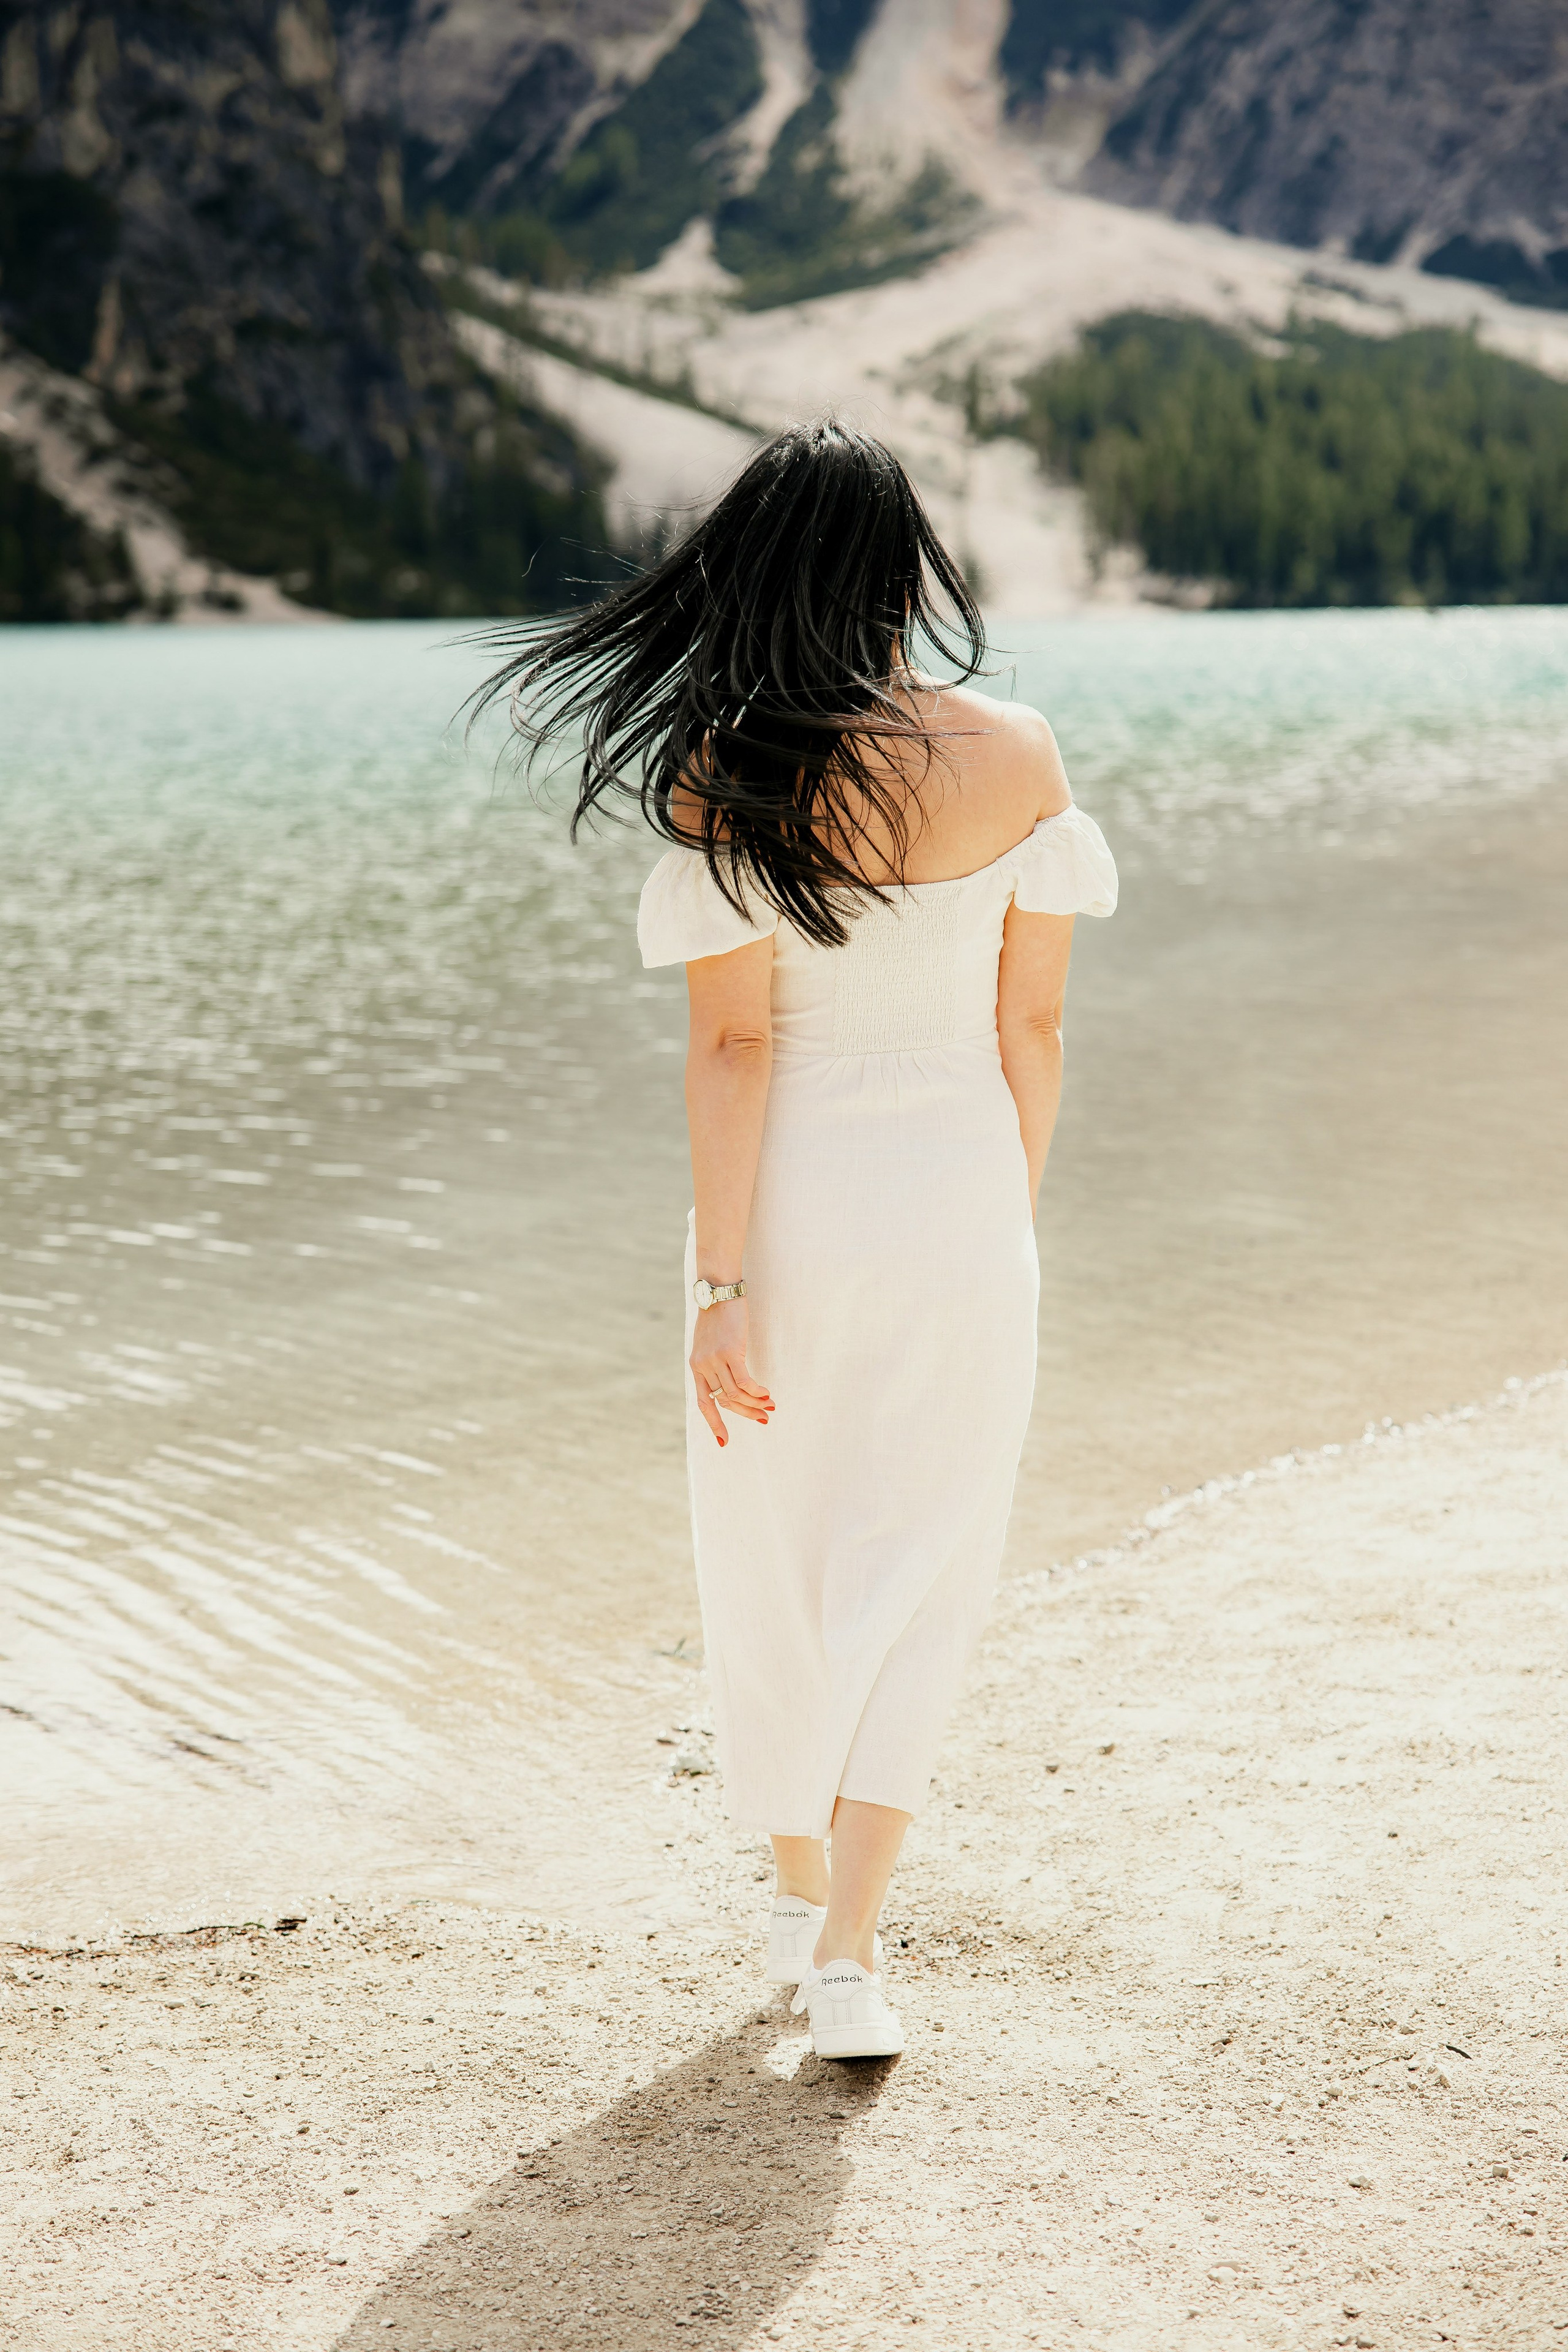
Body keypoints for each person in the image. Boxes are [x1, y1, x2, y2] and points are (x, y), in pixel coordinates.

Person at [480, 420, 1116, 2060]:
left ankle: (791, 1888)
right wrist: (1005, 1219)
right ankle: (848, 1956)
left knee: (772, 1552)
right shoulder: (1020, 753)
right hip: (961, 1199)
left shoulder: (727, 770)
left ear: (759, 573)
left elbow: (736, 1048)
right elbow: (1033, 1028)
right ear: (904, 572)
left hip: (788, 1211)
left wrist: (721, 1286)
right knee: (930, 1559)